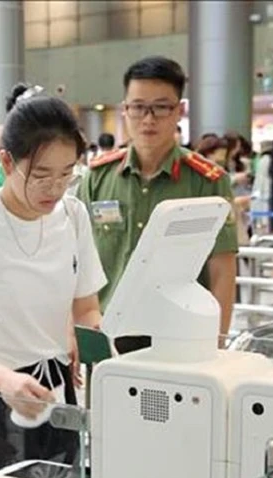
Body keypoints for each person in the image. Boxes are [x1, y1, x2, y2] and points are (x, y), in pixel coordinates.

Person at [0, 86, 106, 478]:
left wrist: (101, 340)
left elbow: (86, 306)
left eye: (66, 174)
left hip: (57, 396)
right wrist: (5, 380)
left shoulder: (73, 215)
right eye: (41, 175)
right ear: (7, 162)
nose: (55, 188)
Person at [78, 56, 238, 346]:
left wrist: (217, 343)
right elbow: (77, 258)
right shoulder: (98, 178)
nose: (148, 119)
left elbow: (222, 269)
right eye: (138, 107)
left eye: (161, 107)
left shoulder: (208, 181)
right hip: (109, 331)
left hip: (181, 336)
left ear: (179, 111)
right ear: (125, 110)